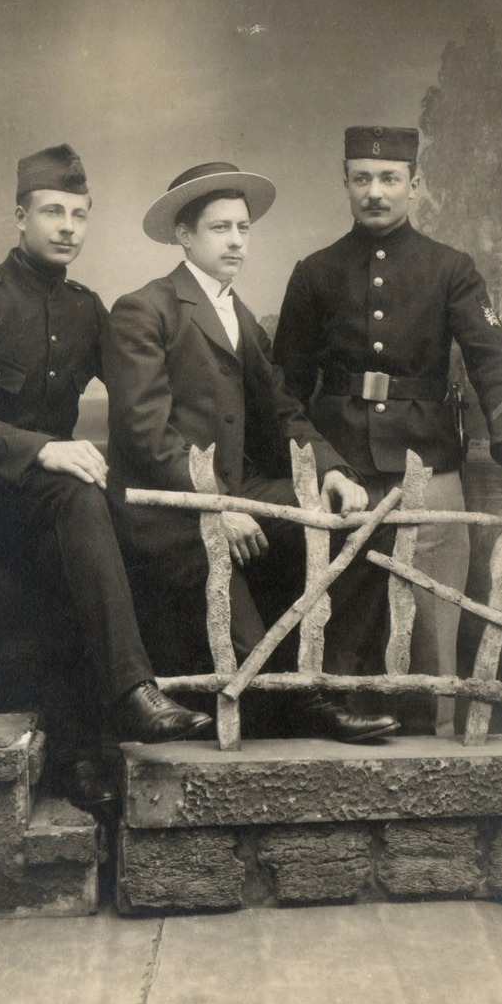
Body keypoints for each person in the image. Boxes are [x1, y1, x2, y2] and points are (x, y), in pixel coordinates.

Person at [0, 143, 213, 809]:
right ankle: (132, 697)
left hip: (50, 503)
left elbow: (143, 386)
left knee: (135, 523)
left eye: (80, 214)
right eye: (53, 211)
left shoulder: (86, 309)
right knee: (79, 495)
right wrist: (42, 449)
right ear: (20, 216)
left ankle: (94, 752)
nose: (68, 227)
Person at [101, 162, 400, 743]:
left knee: (363, 526)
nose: (237, 240)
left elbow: (284, 411)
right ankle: (289, 702)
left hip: (235, 494)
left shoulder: (240, 315)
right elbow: (146, 433)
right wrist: (214, 505)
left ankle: (325, 689)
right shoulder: (145, 308)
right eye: (219, 228)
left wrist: (334, 470)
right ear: (183, 236)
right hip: (170, 511)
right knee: (244, 652)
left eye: (242, 227)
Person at [273, 125, 502, 733]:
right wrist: (319, 463)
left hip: (429, 465)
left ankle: (434, 739)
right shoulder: (315, 273)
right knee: (340, 619)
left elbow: (493, 355)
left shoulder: (451, 269)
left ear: (414, 185)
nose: (376, 192)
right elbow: (283, 388)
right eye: (362, 178)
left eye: (390, 179)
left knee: (431, 624)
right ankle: (337, 741)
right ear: (344, 182)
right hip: (342, 466)